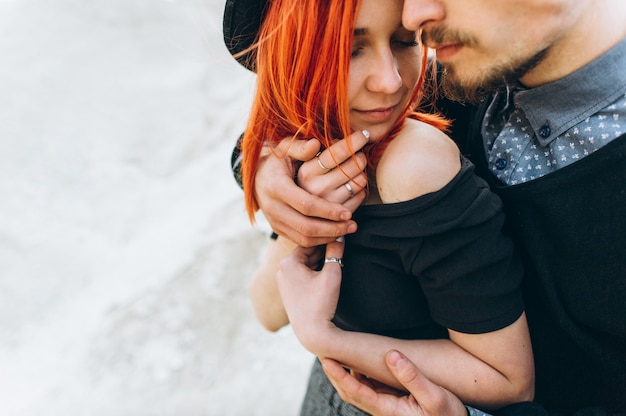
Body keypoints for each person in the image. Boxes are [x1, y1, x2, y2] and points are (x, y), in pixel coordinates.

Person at [225, 0, 626, 414]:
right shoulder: (460, 73)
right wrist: (266, 166)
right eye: (353, 48)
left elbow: (509, 381)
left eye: (403, 41)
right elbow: (298, 100)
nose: (414, 13)